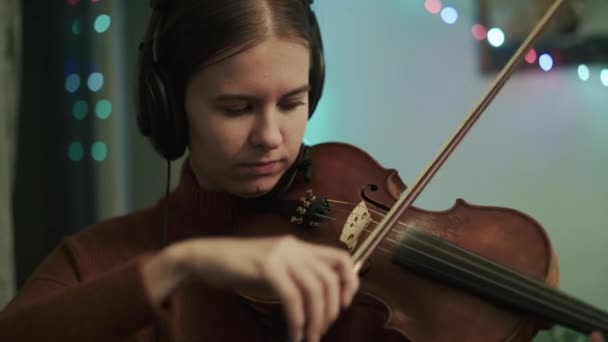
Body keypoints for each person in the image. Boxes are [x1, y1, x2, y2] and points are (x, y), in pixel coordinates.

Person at [0, 1, 604, 341]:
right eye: (236, 108)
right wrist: (180, 265)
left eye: (291, 103)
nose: (272, 137)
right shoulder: (102, 258)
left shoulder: (343, 186)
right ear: (169, 106)